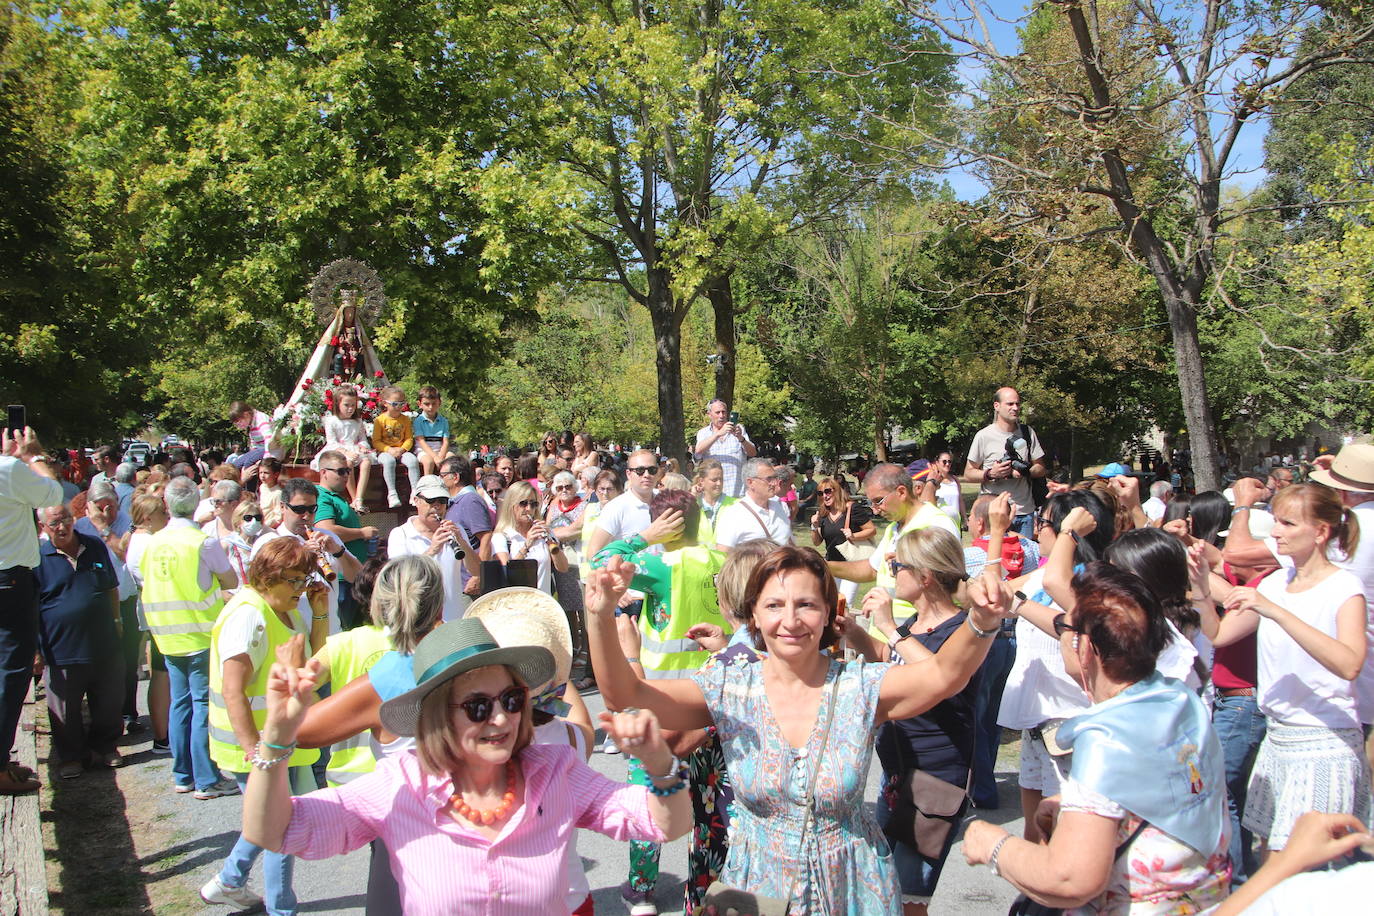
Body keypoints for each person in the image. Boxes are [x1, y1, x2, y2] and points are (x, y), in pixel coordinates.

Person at [585, 545, 1010, 915]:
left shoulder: (860, 687)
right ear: (752, 611)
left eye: (806, 604)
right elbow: (628, 695)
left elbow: (942, 675)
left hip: (854, 887)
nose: (791, 620)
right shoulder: (728, 687)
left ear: (828, 611)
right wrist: (601, 615)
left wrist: (982, 622)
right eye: (774, 605)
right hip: (754, 885)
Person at [240, 616, 692, 914]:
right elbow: (275, 831)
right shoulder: (400, 785)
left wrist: (659, 764)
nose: (501, 719)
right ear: (439, 714)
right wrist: (277, 738)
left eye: (513, 700)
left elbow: (664, 825)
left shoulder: (555, 770)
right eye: (478, 707)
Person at [962, 563, 1231, 914]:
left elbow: (1071, 879)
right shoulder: (1178, 700)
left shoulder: (1109, 736)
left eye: (1064, 626)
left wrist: (992, 843)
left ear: (1084, 648)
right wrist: (1075, 803)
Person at [1213, 483, 1370, 854]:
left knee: (1305, 867)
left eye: (1287, 523)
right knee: (1270, 857)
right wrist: (1199, 585)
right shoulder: (1275, 581)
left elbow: (1349, 663)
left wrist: (1276, 612)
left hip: (1323, 742)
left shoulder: (1344, 586)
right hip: (1277, 738)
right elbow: (1219, 634)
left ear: (1320, 532)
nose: (1277, 532)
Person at [841, 527, 980, 916]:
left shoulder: (963, 630)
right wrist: (856, 634)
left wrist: (887, 626)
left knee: (908, 899)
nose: (890, 572)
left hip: (937, 780)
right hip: (897, 776)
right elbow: (892, 663)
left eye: (897, 564)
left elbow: (942, 675)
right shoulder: (914, 627)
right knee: (885, 887)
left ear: (925, 576)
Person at [201, 538, 324, 915]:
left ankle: (229, 880)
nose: (301, 588)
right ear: (268, 576)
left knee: (276, 819)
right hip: (256, 745)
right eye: (294, 580)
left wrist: (320, 612)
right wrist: (254, 750)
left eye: (305, 579)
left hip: (282, 741)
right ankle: (280, 908)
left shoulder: (286, 607)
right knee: (279, 828)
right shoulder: (249, 615)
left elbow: (312, 666)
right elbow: (232, 688)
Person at [995, 489, 1114, 841]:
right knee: (1035, 833)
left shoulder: (1095, 582)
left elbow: (1064, 606)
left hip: (1073, 726)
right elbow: (988, 590)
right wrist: (997, 531)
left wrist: (1068, 534)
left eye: (1044, 523)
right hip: (1037, 723)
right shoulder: (1038, 577)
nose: (1035, 531)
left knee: (1066, 834)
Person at [140, 476, 239, 798]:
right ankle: (207, 779)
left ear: (167, 505)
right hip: (198, 633)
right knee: (202, 705)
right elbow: (229, 577)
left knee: (180, 704)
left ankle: (183, 774)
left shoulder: (151, 542)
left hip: (166, 633)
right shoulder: (202, 542)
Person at [34, 504, 125, 778]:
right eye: (54, 524)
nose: (61, 527)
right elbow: (30, 606)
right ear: (43, 528)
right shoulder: (37, 557)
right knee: (65, 708)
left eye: (65, 520)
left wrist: (117, 622)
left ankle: (106, 748)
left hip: (103, 643)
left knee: (109, 700)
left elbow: (111, 588)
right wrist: (35, 651)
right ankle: (71, 757)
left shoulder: (94, 545)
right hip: (61, 647)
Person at [0, 427, 63, 794]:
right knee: (11, 672)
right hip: (8, 579)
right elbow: (52, 494)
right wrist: (33, 456)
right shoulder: (8, 469)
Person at [826, 463, 959, 632]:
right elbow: (871, 570)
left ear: (901, 492)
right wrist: (822, 565)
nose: (875, 511)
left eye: (878, 501)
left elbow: (946, 585)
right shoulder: (894, 528)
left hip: (918, 638)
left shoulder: (936, 524)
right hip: (888, 639)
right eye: (870, 503)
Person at [253, 477, 362, 640]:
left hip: (331, 635)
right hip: (290, 639)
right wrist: (302, 555)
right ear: (283, 507)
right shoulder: (268, 542)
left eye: (312, 509)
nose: (307, 516)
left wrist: (338, 551)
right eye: (299, 509)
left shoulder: (328, 537)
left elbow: (357, 577)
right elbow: (260, 588)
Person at [386, 475, 478, 621]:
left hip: (453, 619)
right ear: (416, 501)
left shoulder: (456, 529)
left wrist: (461, 542)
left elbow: (476, 570)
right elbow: (399, 579)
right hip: (419, 621)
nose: (437, 506)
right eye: (430, 501)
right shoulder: (400, 534)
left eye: (442, 501)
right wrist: (431, 550)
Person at [963, 386, 1047, 537]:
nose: (1015, 408)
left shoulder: (1027, 433)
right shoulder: (983, 436)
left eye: (1017, 404)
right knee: (993, 558)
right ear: (997, 406)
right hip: (993, 513)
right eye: (1010, 404)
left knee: (1021, 559)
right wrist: (990, 473)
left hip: (1023, 512)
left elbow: (1040, 468)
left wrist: (1024, 472)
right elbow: (968, 474)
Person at [127, 491, 172, 754]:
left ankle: (164, 735)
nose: (166, 517)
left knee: (162, 675)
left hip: (155, 615)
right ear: (147, 518)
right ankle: (163, 736)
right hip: (160, 616)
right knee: (162, 676)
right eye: (162, 514)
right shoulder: (146, 543)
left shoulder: (143, 540)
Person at [311, 451, 376, 629]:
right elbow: (326, 529)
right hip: (340, 580)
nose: (347, 475)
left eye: (348, 471)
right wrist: (362, 533)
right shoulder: (322, 496)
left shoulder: (336, 497)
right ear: (323, 472)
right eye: (341, 471)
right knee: (344, 629)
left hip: (351, 576)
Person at [491, 481, 568, 594]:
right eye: (523, 503)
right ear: (511, 505)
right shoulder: (501, 537)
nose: (529, 509)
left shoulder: (543, 532)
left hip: (542, 603)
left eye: (533, 504)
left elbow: (563, 568)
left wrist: (552, 543)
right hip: (516, 603)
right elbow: (506, 573)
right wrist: (527, 545)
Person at [810, 474, 876, 604]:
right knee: (830, 603)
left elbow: (872, 530)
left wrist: (854, 536)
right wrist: (814, 526)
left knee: (845, 604)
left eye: (828, 491)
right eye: (821, 493)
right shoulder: (823, 514)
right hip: (832, 565)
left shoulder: (852, 509)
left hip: (852, 566)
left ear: (837, 491)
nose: (825, 496)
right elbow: (817, 542)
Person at [712, 457, 793, 550]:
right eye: (769, 479)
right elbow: (723, 554)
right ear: (750, 482)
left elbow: (789, 542)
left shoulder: (780, 506)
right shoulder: (733, 515)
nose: (774, 483)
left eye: (775, 478)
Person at [317, 385, 373, 513]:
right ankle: (354, 498)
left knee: (367, 462)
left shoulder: (358, 421)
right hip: (339, 451)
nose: (350, 409)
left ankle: (359, 498)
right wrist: (346, 452)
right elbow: (332, 442)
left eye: (353, 405)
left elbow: (362, 438)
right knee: (347, 463)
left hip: (355, 449)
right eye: (347, 405)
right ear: (338, 404)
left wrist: (363, 446)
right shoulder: (331, 421)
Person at [692, 399, 757, 498]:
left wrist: (741, 438)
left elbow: (752, 453)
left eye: (724, 412)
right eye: (717, 413)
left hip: (737, 492)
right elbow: (698, 451)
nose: (721, 416)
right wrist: (718, 434)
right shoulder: (703, 433)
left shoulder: (739, 429)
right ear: (709, 414)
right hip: (714, 493)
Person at [371, 386, 419, 509]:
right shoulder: (379, 420)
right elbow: (376, 441)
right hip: (385, 451)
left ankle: (416, 491)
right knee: (389, 461)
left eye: (401, 404)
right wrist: (389, 449)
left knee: (412, 461)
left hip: (401, 449)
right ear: (385, 403)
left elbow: (409, 438)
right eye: (395, 404)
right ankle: (392, 493)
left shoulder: (405, 419)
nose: (398, 407)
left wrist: (402, 449)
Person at [228, 401, 283, 474]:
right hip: (259, 450)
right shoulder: (251, 424)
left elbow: (269, 438)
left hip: (271, 449)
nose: (238, 426)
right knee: (234, 465)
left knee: (249, 464)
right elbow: (254, 443)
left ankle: (250, 485)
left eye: (239, 422)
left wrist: (266, 458)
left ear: (246, 414)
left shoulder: (260, 419)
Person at [691, 458, 734, 549]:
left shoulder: (735, 505)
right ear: (701, 481)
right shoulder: (693, 504)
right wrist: (692, 499)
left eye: (721, 479)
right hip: (698, 561)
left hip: (726, 561)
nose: (719, 483)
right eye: (714, 480)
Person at [411, 385, 450, 478]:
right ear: (420, 404)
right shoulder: (418, 421)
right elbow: (421, 442)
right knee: (429, 461)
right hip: (423, 451)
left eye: (434, 403)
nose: (430, 407)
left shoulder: (444, 421)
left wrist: (440, 455)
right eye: (427, 404)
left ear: (439, 403)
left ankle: (448, 483)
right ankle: (427, 485)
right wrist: (435, 457)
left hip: (440, 451)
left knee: (451, 458)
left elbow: (445, 441)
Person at [931, 451, 963, 530]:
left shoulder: (955, 480)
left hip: (955, 523)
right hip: (939, 524)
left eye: (949, 462)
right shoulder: (933, 481)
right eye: (944, 461)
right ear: (937, 463)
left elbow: (960, 500)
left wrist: (965, 519)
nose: (947, 464)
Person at [256, 457, 284, 529]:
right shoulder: (262, 487)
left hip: (268, 527)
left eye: (266, 473)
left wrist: (264, 526)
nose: (262, 476)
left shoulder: (278, 493)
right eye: (260, 472)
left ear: (276, 475)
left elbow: (278, 518)